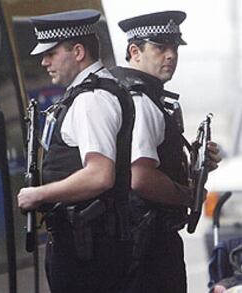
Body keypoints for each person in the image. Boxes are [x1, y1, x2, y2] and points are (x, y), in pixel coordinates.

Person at [17, 9, 135, 293]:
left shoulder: (91, 100)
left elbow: (99, 175)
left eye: (51, 53)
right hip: (89, 244)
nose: (44, 62)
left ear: (78, 51)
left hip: (90, 249)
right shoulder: (91, 93)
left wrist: (39, 194)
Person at [109, 11, 222, 293]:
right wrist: (189, 195)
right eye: (160, 47)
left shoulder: (136, 95)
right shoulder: (141, 101)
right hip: (147, 242)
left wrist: (193, 163)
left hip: (139, 239)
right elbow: (141, 177)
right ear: (135, 51)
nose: (170, 55)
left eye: (174, 48)